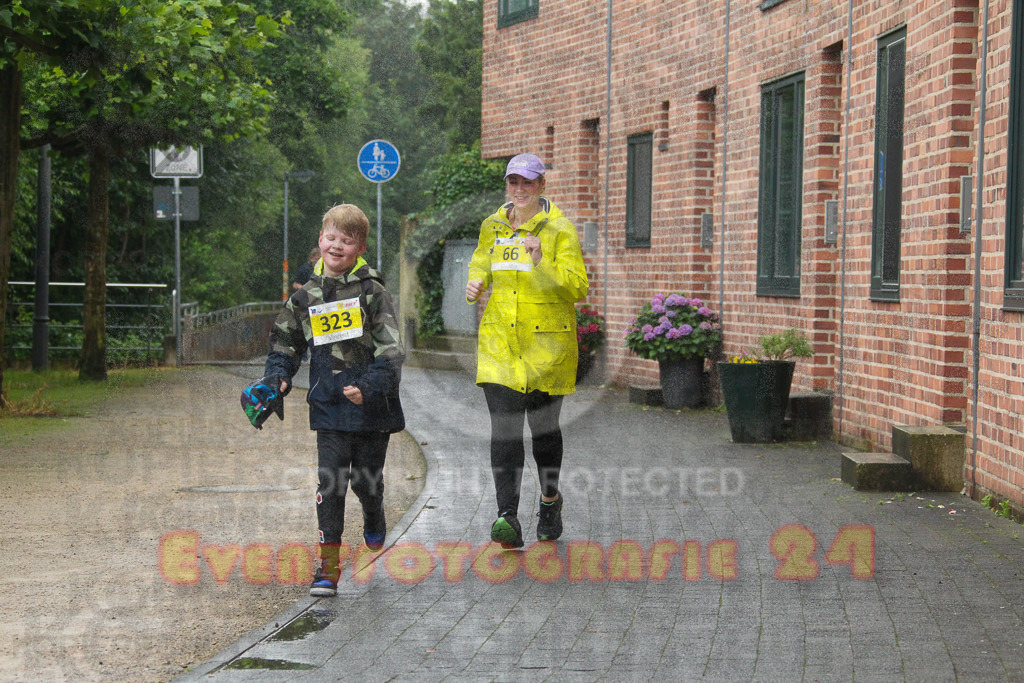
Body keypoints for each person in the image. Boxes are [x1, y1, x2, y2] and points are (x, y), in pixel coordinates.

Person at [260, 204, 405, 597]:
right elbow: (284, 347)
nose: (336, 245)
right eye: (330, 237)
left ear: (359, 247)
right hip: (328, 405)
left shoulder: (374, 293)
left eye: (346, 240)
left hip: (373, 409)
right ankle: (327, 568)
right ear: (320, 241)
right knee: (331, 483)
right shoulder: (304, 297)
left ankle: (374, 514)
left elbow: (393, 352)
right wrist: (278, 380)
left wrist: (370, 386)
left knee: (365, 481)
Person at [465, 153, 589, 549]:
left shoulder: (559, 229)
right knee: (504, 433)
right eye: (513, 182)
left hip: (546, 348)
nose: (519, 189)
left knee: (544, 435)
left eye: (527, 182)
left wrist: (541, 260)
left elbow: (577, 287)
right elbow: (481, 262)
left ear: (541, 186)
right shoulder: (493, 225)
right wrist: (475, 282)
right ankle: (507, 517)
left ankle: (550, 502)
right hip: (501, 345)